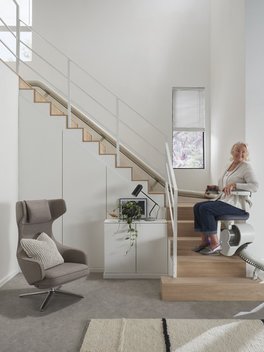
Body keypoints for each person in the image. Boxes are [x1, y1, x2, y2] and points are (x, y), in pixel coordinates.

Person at [193, 142, 258, 255]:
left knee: (205, 209)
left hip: (237, 205)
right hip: (225, 201)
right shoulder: (229, 165)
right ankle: (205, 241)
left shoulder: (246, 167)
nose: (240, 153)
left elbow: (254, 186)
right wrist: (216, 187)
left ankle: (215, 244)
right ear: (232, 151)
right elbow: (225, 186)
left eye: (243, 151)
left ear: (246, 154)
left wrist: (235, 185)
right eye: (238, 150)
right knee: (197, 206)